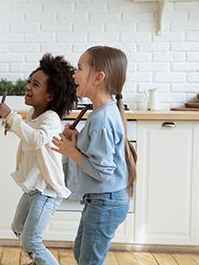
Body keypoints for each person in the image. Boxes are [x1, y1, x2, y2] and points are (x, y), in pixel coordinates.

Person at [51, 46, 137, 265]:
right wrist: (78, 141)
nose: (74, 74)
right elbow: (99, 154)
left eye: (79, 68)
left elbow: (102, 171)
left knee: (88, 260)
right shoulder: (101, 113)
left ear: (98, 77)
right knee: (82, 254)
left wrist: (72, 152)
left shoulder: (102, 119)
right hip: (100, 200)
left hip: (105, 202)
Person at [0, 53, 78, 265]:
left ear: (50, 95)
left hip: (46, 190)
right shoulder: (33, 114)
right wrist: (14, 125)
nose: (28, 87)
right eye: (29, 81)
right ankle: (41, 262)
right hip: (33, 189)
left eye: (35, 84)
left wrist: (11, 117)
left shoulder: (51, 119)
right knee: (18, 228)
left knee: (31, 241)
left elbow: (37, 139)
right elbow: (29, 132)